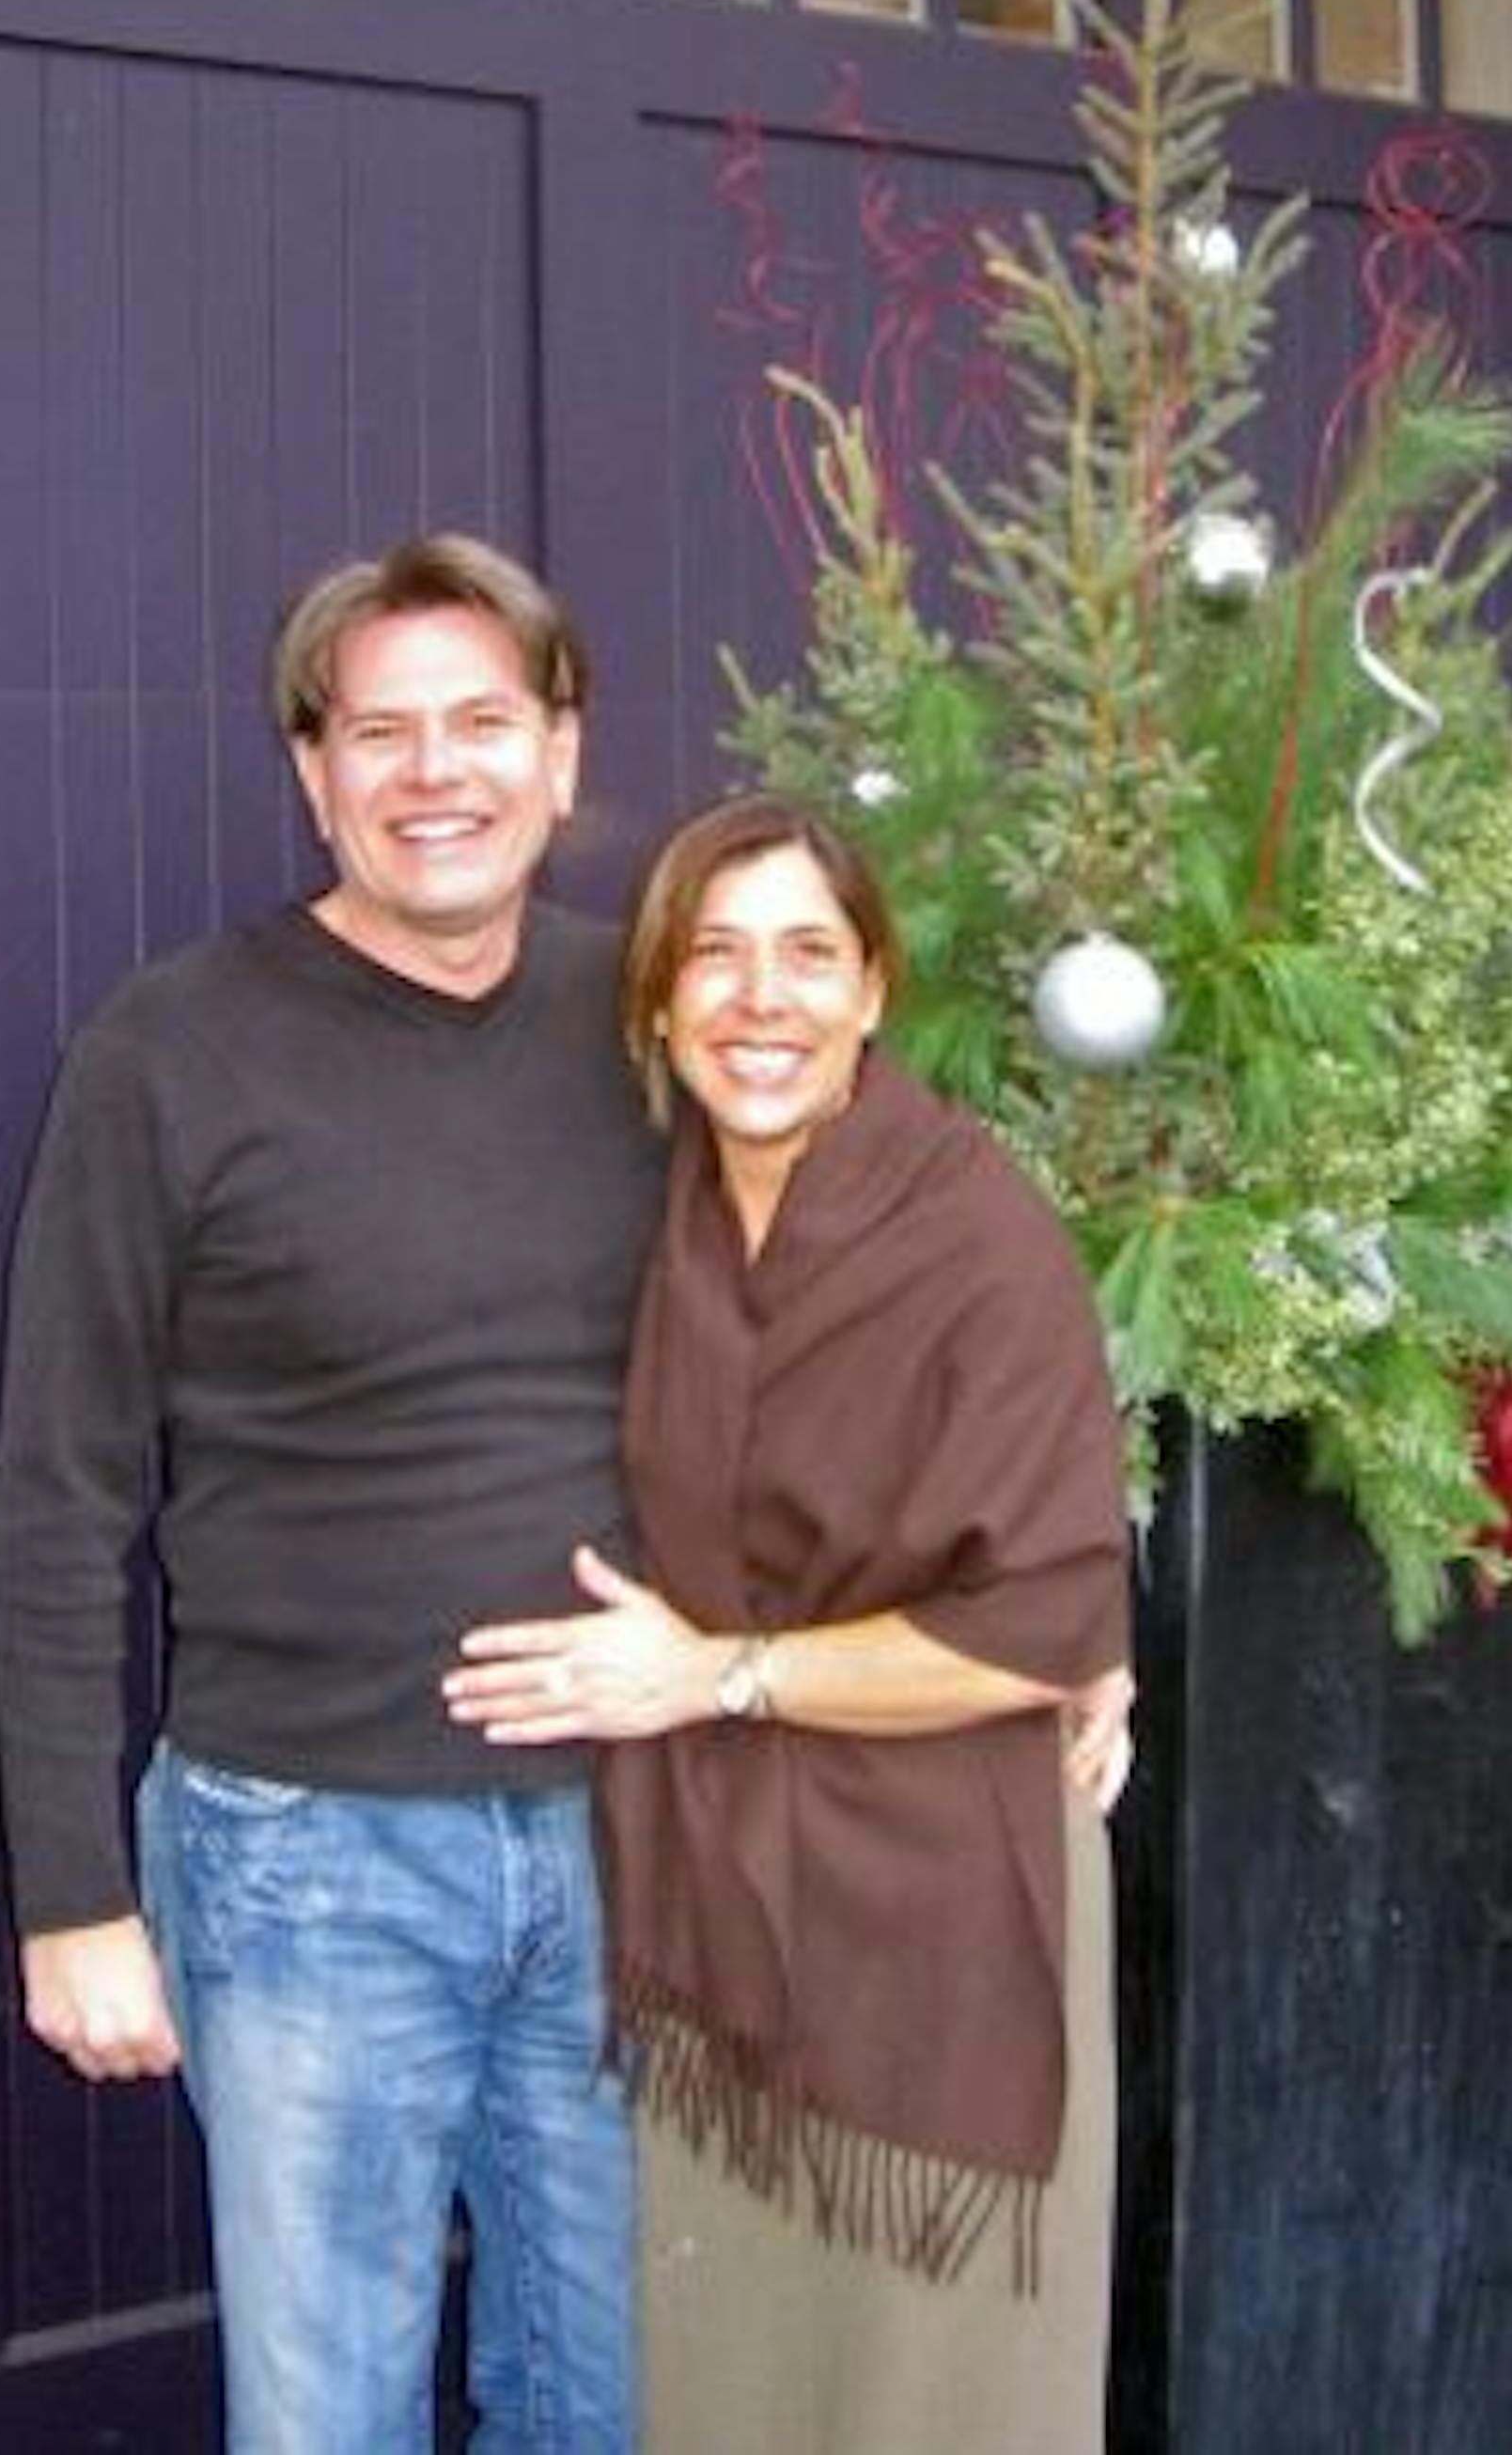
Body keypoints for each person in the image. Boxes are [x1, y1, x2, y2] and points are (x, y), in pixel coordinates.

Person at [0, 532, 665, 2455]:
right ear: (313, 768)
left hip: (629, 1847)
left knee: (608, 2401)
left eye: (479, 721)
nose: (432, 771)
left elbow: (882, 1337)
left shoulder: (662, 1024)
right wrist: (71, 1901)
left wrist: (1054, 1622)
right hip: (310, 1860)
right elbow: (56, 1492)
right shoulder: (171, 1052)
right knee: (327, 2417)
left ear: (559, 745)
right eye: (381, 730)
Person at [443, 793, 1132, 2455]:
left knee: (934, 2401)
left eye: (809, 954)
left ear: (876, 988)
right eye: (718, 955)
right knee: (726, 2389)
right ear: (660, 997)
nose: (764, 999)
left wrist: (717, 1674)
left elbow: (1025, 1616)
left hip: (939, 1907)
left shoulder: (973, 1230)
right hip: (722, 1916)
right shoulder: (659, 1208)